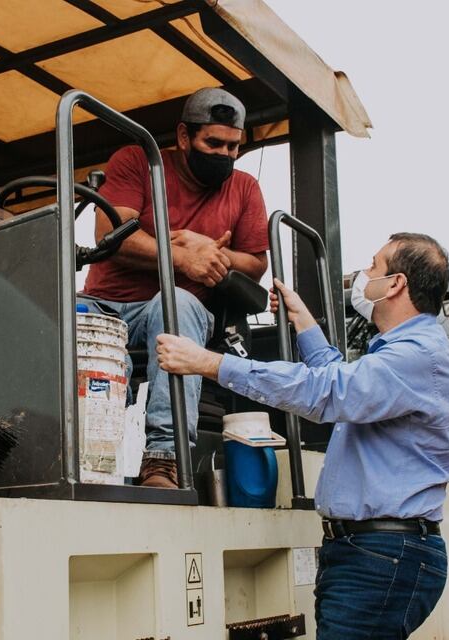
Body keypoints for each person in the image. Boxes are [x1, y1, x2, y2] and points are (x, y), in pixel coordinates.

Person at [156, 233, 449, 638]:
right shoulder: (406, 353)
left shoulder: (414, 357)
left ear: (395, 284)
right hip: (373, 552)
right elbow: (340, 382)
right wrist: (303, 321)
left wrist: (211, 363)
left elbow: (328, 391)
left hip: (383, 555)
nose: (362, 275)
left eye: (373, 265)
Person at [80, 87, 269, 489]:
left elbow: (255, 261)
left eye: (233, 146)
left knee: (175, 302)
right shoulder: (136, 161)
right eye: (213, 143)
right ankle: (99, 451)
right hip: (106, 305)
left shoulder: (245, 188)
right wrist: (179, 254)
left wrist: (203, 250)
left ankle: (163, 459)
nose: (225, 154)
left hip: (175, 311)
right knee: (60, 313)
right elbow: (108, 235)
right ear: (184, 137)